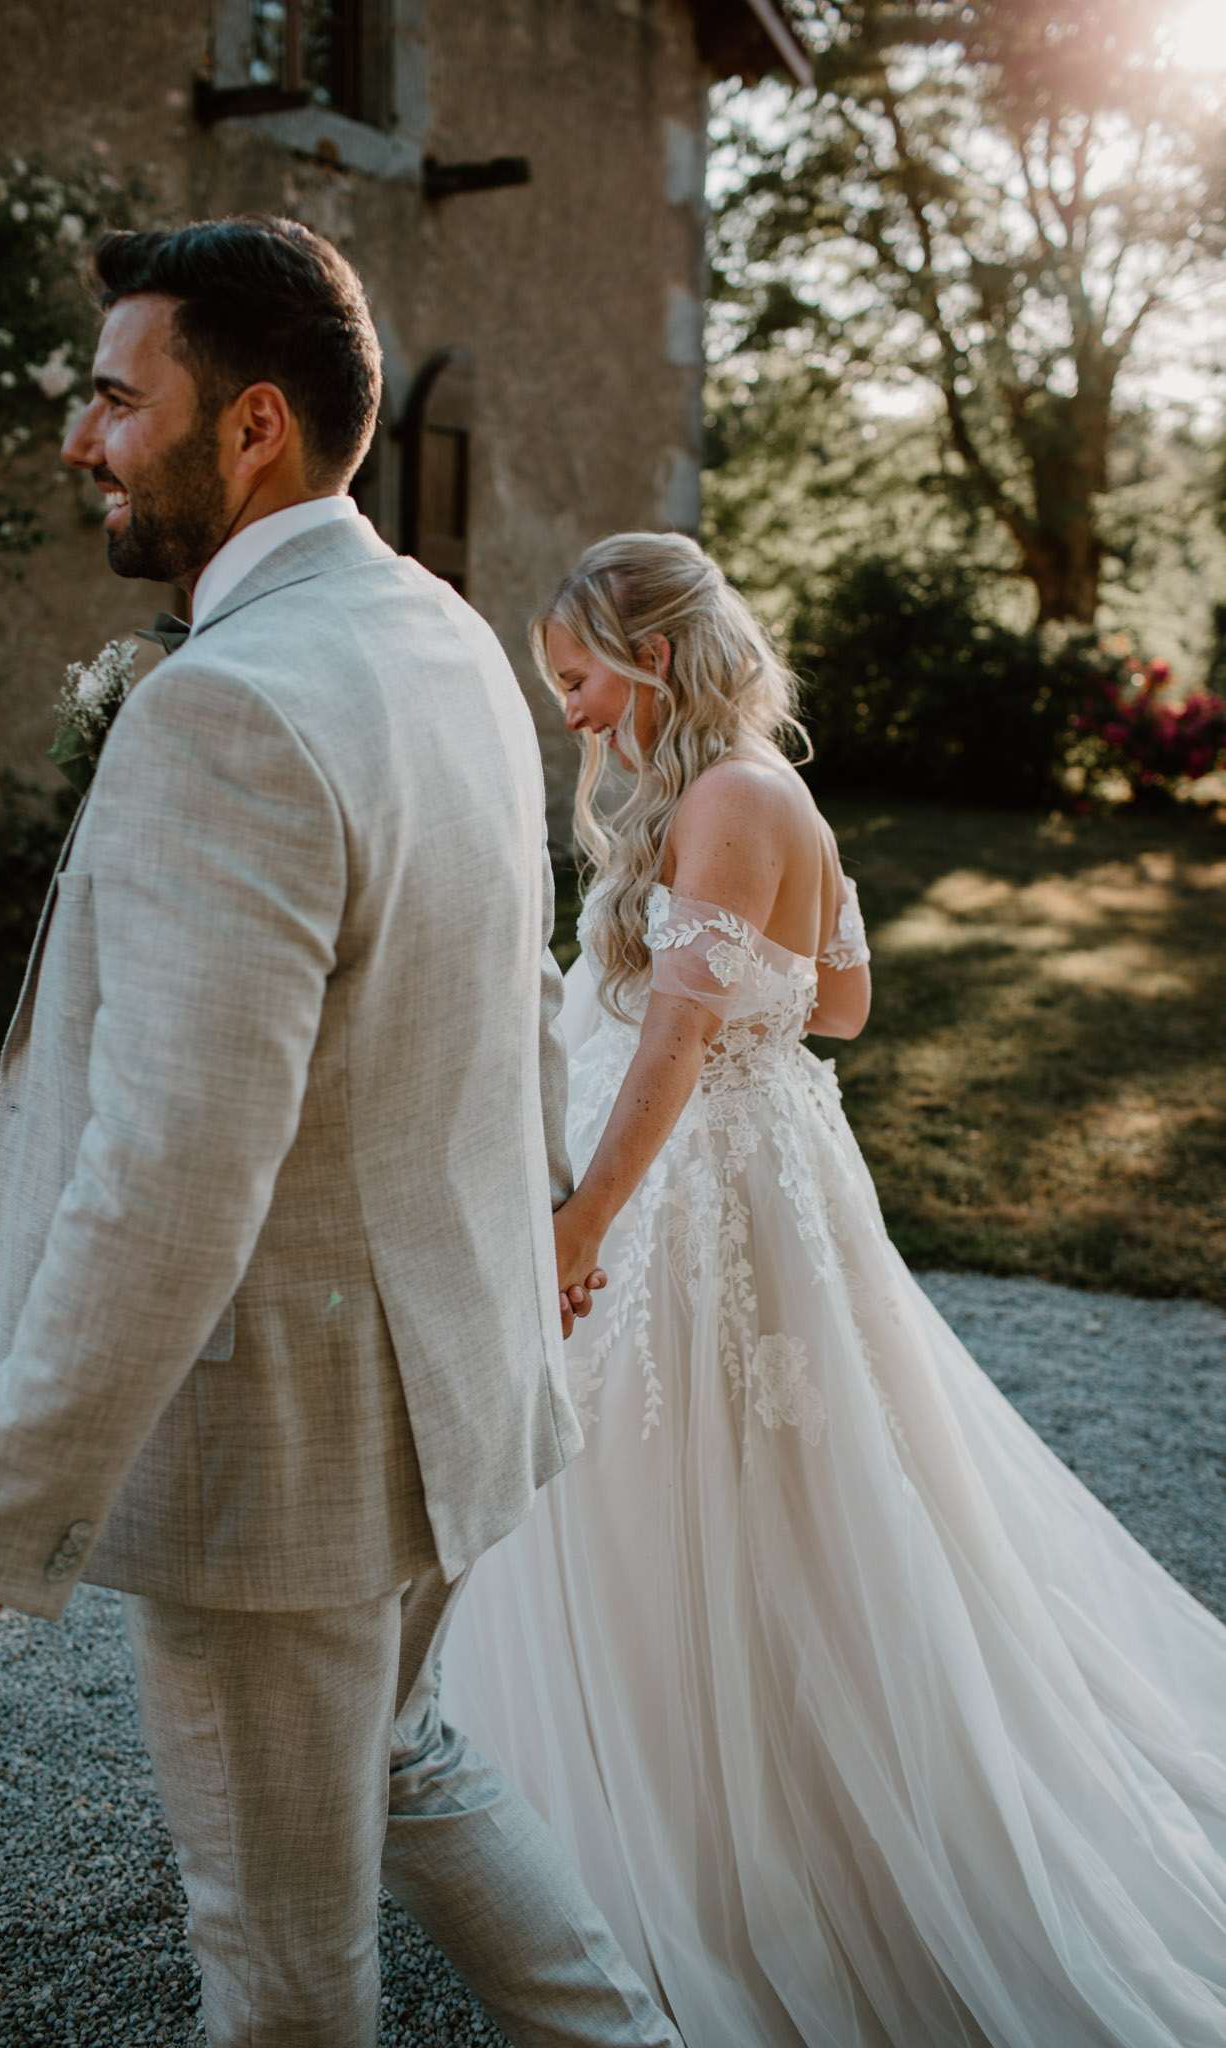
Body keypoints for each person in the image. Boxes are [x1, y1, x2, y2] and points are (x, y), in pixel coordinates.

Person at [0, 218, 679, 2048]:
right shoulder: (444, 637)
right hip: (437, 1400)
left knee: (281, 1973)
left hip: (289, 1459)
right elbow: (502, 1010)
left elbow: (168, 1183)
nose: (79, 440)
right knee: (404, 1765)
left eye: (109, 397)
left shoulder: (228, 705)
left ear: (244, 428)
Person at [441, 530, 1226, 2048]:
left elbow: (675, 1043)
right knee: (726, 1491)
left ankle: (753, 1861)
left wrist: (582, 1219)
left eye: (581, 680)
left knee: (711, 1495)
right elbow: (846, 1006)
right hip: (756, 1161)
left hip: (697, 1189)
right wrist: (805, 920)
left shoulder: (729, 797)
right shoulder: (754, 792)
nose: (572, 713)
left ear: (651, 653)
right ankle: (654, 1825)